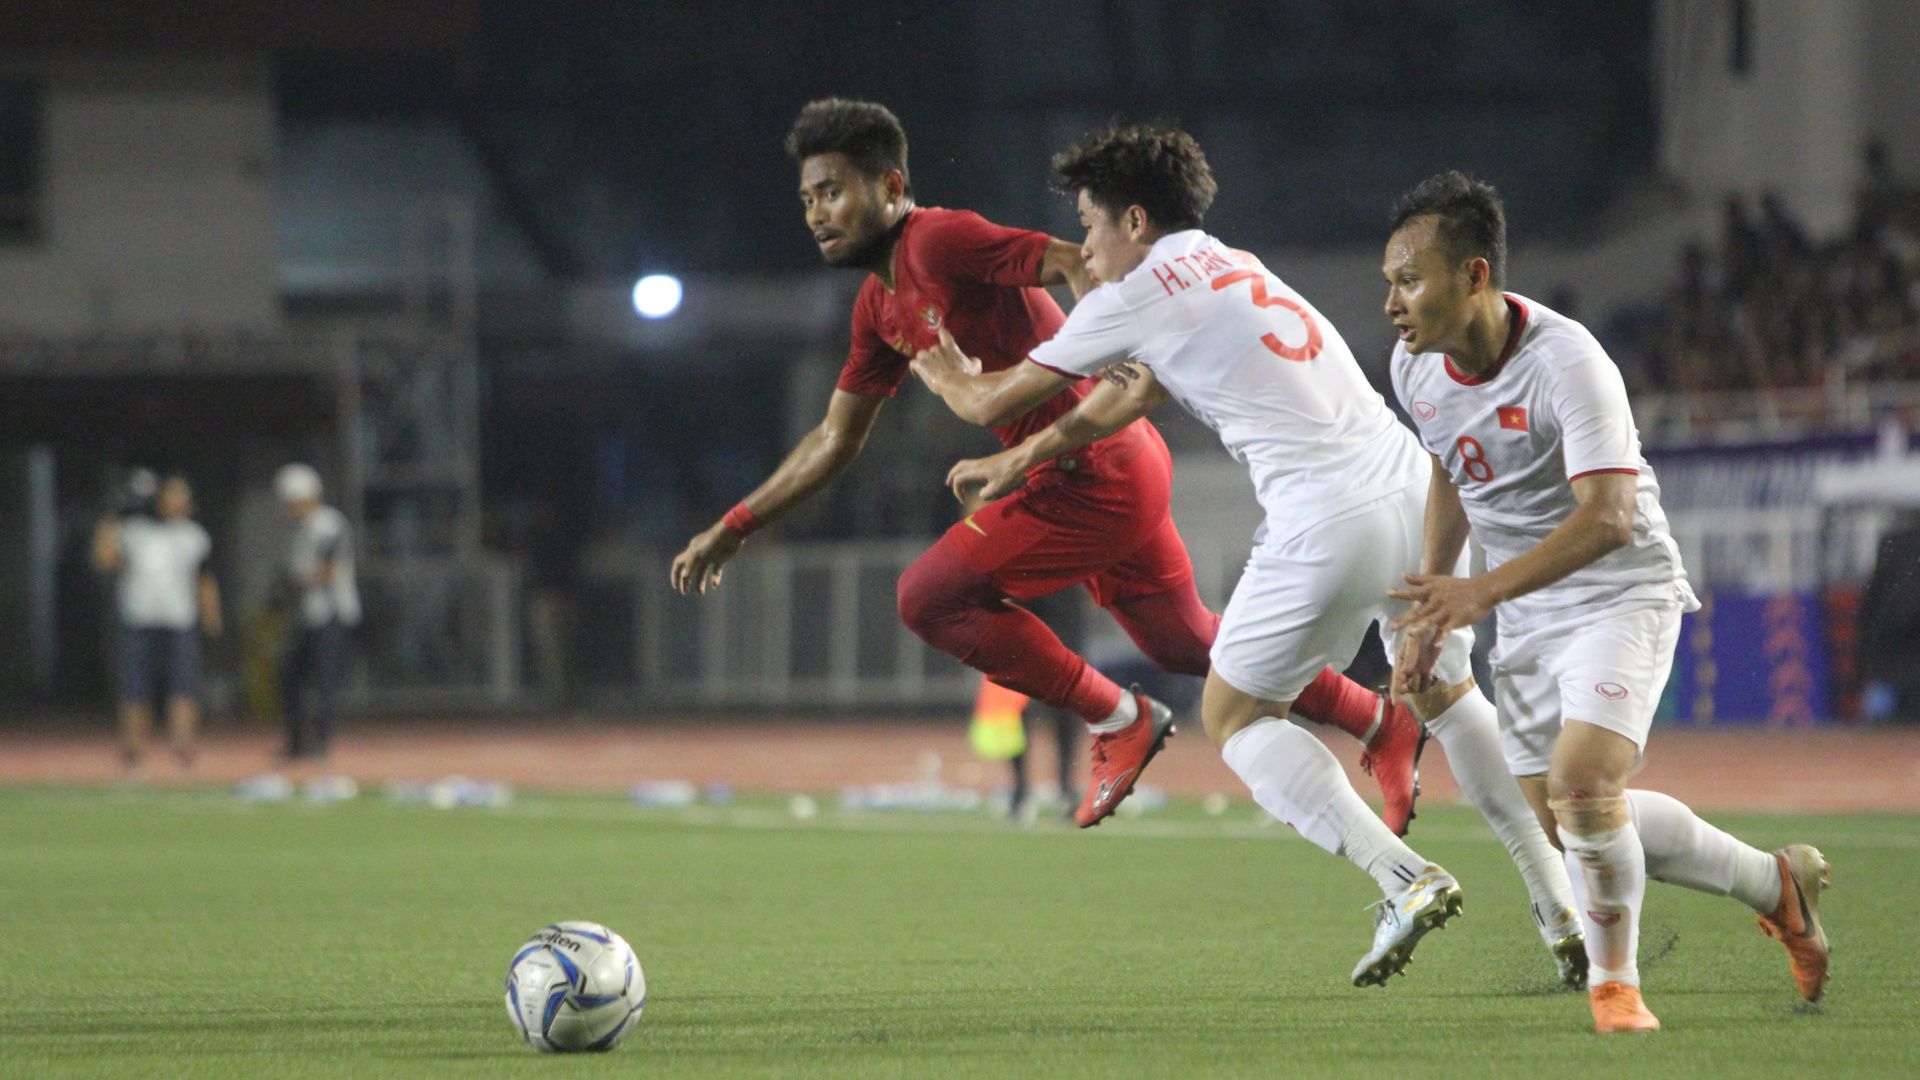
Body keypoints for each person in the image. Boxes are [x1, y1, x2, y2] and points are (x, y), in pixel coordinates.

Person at [923, 124, 1578, 987]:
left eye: (1089, 223)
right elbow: (1135, 390)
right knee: (1451, 694)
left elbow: (991, 398)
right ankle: (1558, 899)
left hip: (1329, 522)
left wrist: (939, 371)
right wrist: (1017, 463)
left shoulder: (1133, 294)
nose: (1083, 246)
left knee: (1233, 714)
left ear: (1132, 218)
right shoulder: (1233, 262)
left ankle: (1403, 879)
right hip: (1413, 492)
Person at [668, 98, 1424, 830]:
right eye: (807, 198)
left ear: (892, 187)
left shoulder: (938, 240)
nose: (816, 213)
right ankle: (1377, 720)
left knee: (927, 598)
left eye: (832, 191)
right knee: (1186, 643)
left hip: (1089, 470)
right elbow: (835, 439)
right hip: (1105, 466)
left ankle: (1121, 718)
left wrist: (1119, 348)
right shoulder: (878, 307)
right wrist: (738, 524)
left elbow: (1071, 260)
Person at [1379, 171, 1831, 1031]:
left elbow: (1612, 518)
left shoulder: (1569, 362)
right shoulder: (1414, 368)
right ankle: (1775, 884)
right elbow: (1449, 463)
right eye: (1389, 285)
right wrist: (1435, 600)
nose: (1394, 304)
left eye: (1409, 280)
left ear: (1475, 276)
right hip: (1524, 604)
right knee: (1565, 821)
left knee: (1585, 785)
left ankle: (1614, 985)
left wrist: (1479, 590)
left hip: (1616, 588)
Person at [91, 472, 221, 771]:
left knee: (183, 689)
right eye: (173, 494)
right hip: (139, 622)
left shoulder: (193, 536)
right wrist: (110, 520)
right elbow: (104, 560)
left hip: (179, 623)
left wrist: (211, 615)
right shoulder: (134, 532)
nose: (180, 501)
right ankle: (133, 754)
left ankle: (184, 753)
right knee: (136, 691)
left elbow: (204, 579)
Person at [274, 463, 361, 761]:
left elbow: (328, 569)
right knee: (290, 676)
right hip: (309, 615)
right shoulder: (301, 529)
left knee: (325, 681)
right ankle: (298, 743)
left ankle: (320, 744)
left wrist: (295, 580)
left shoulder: (328, 524)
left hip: (331, 613)